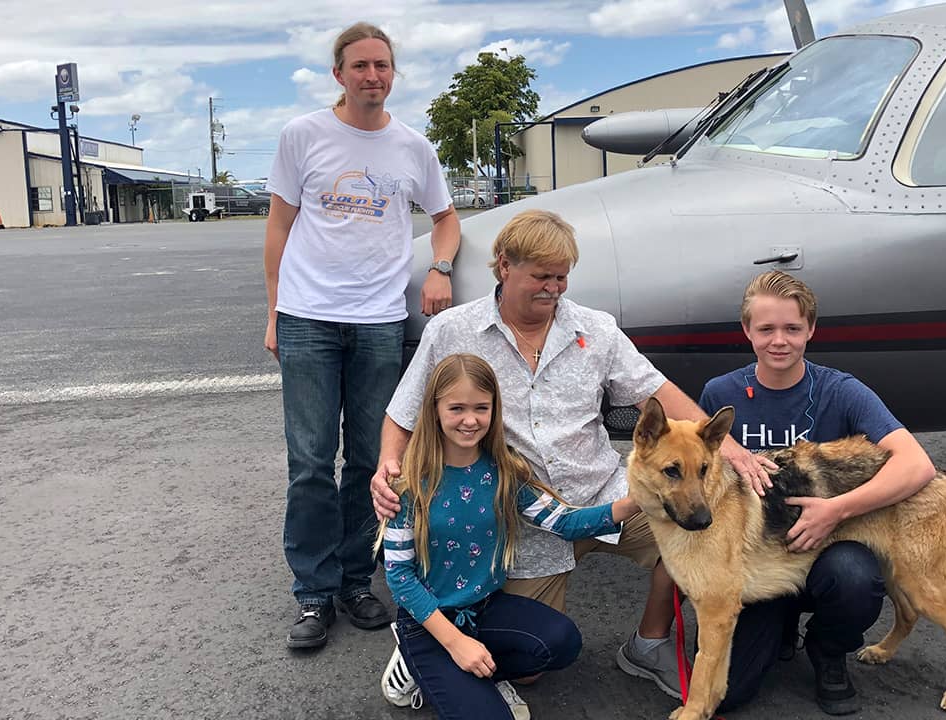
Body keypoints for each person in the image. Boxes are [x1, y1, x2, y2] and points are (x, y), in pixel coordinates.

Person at [371, 209, 775, 703]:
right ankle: (423, 639)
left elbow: (657, 390)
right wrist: (388, 468)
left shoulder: (595, 329)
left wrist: (727, 447)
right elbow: (404, 412)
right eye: (541, 276)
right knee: (529, 667)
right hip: (523, 518)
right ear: (503, 266)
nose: (554, 288)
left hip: (607, 494)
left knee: (696, 528)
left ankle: (648, 643)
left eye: (561, 277)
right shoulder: (452, 330)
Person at [263, 21, 460, 650]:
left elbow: (447, 218)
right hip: (308, 318)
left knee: (374, 462)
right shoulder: (304, 136)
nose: (372, 76)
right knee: (311, 462)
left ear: (393, 73)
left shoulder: (411, 147)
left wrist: (439, 265)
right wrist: (273, 312)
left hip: (380, 320)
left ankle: (355, 579)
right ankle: (313, 594)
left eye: (383, 66)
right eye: (360, 66)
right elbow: (278, 227)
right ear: (339, 74)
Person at [697, 270, 936, 715]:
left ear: (811, 329)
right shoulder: (720, 393)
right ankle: (779, 628)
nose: (779, 340)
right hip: (756, 565)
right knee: (729, 694)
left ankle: (828, 649)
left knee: (855, 578)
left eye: (792, 328)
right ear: (747, 330)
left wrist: (836, 509)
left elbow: (917, 464)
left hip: (826, 549)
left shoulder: (841, 390)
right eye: (766, 329)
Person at [378, 353, 643, 719]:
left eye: (480, 408)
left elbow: (564, 522)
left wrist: (632, 504)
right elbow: (400, 577)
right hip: (428, 621)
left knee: (562, 642)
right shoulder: (408, 482)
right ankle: (415, 664)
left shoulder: (504, 470)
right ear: (434, 410)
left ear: (494, 409)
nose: (470, 420)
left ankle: (473, 668)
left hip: (484, 609)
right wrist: (455, 644)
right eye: (456, 408)